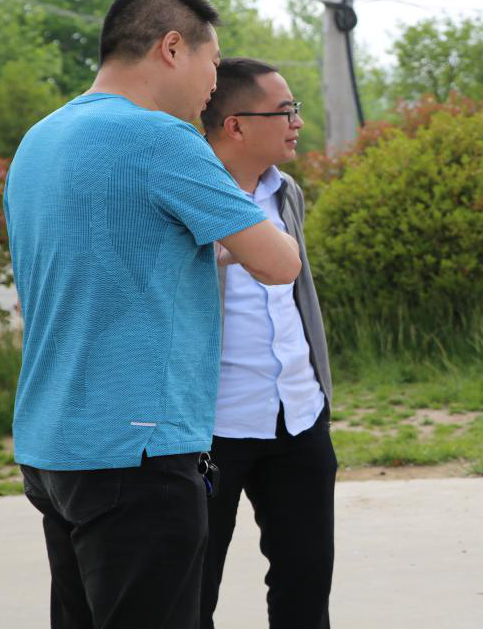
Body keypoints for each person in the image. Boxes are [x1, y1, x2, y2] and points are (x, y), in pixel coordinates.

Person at [5, 0, 302, 629]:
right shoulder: (162, 139)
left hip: (53, 446)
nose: (214, 84)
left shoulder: (40, 140)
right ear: (172, 48)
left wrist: (201, 248)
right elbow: (279, 263)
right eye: (213, 62)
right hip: (138, 452)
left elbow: (104, 259)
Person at [198, 59, 337, 628]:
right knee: (191, 592)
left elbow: (296, 294)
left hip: (298, 419)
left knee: (306, 586)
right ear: (235, 125)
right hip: (212, 427)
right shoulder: (187, 191)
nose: (297, 122)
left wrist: (320, 396)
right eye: (285, 111)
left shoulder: (286, 192)